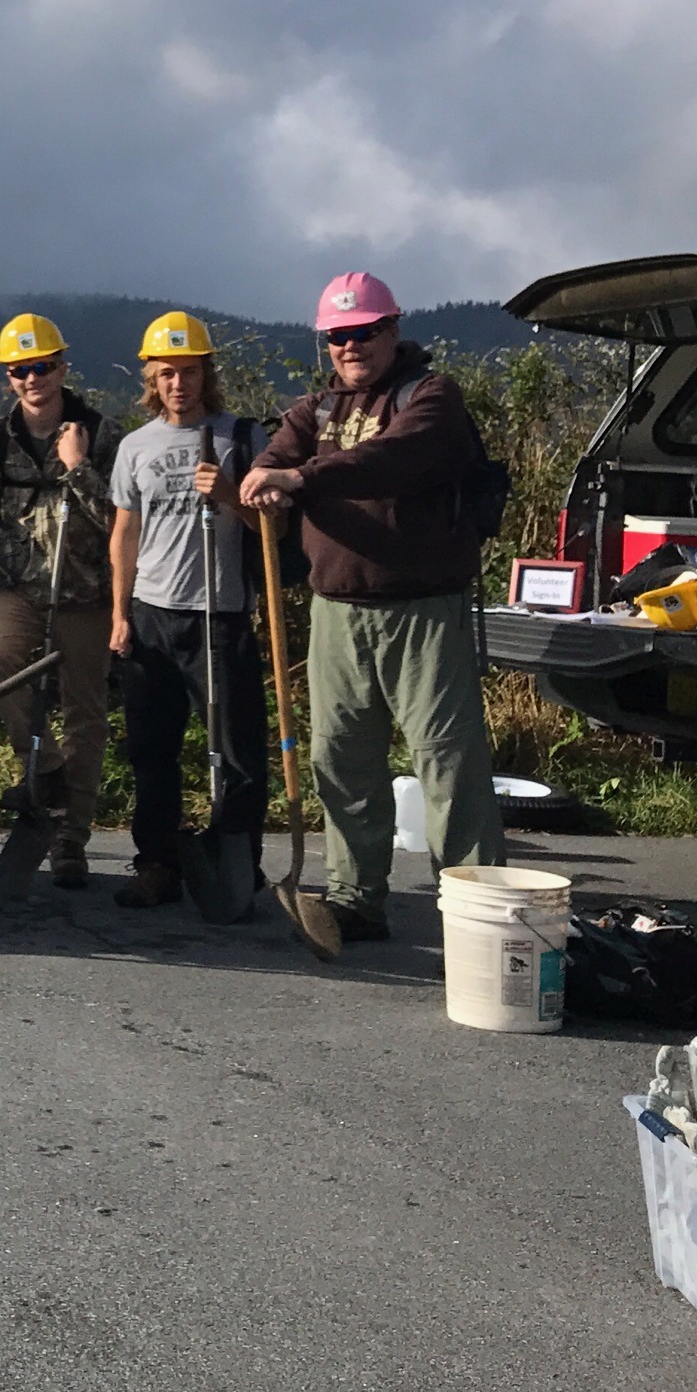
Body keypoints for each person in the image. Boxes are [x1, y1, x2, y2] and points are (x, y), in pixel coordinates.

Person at [240, 272, 502, 941]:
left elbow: (397, 459)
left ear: (392, 330)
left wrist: (300, 478)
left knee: (448, 763)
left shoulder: (431, 397)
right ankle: (355, 897)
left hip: (425, 608)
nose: (351, 346)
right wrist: (263, 487)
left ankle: (475, 914)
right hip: (336, 609)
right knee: (341, 759)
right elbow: (271, 462)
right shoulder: (315, 411)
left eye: (364, 332)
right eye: (338, 337)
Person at [107, 312, 269, 908]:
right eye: (168, 372)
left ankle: (236, 864)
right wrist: (121, 613)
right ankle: (157, 863)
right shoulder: (135, 447)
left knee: (237, 751)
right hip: (154, 614)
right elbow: (125, 533)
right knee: (152, 750)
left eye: (191, 371)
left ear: (208, 373)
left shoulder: (243, 438)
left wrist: (229, 494)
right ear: (152, 375)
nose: (180, 384)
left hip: (220, 615)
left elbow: (274, 533)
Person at [0, 314, 120, 890]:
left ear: (63, 367)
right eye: (22, 370)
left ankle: (71, 838)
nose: (35, 379)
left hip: (86, 589)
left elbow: (118, 520)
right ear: (9, 377)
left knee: (86, 711)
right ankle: (47, 769)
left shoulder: (103, 434)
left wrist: (79, 469)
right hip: (21, 587)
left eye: (44, 367)